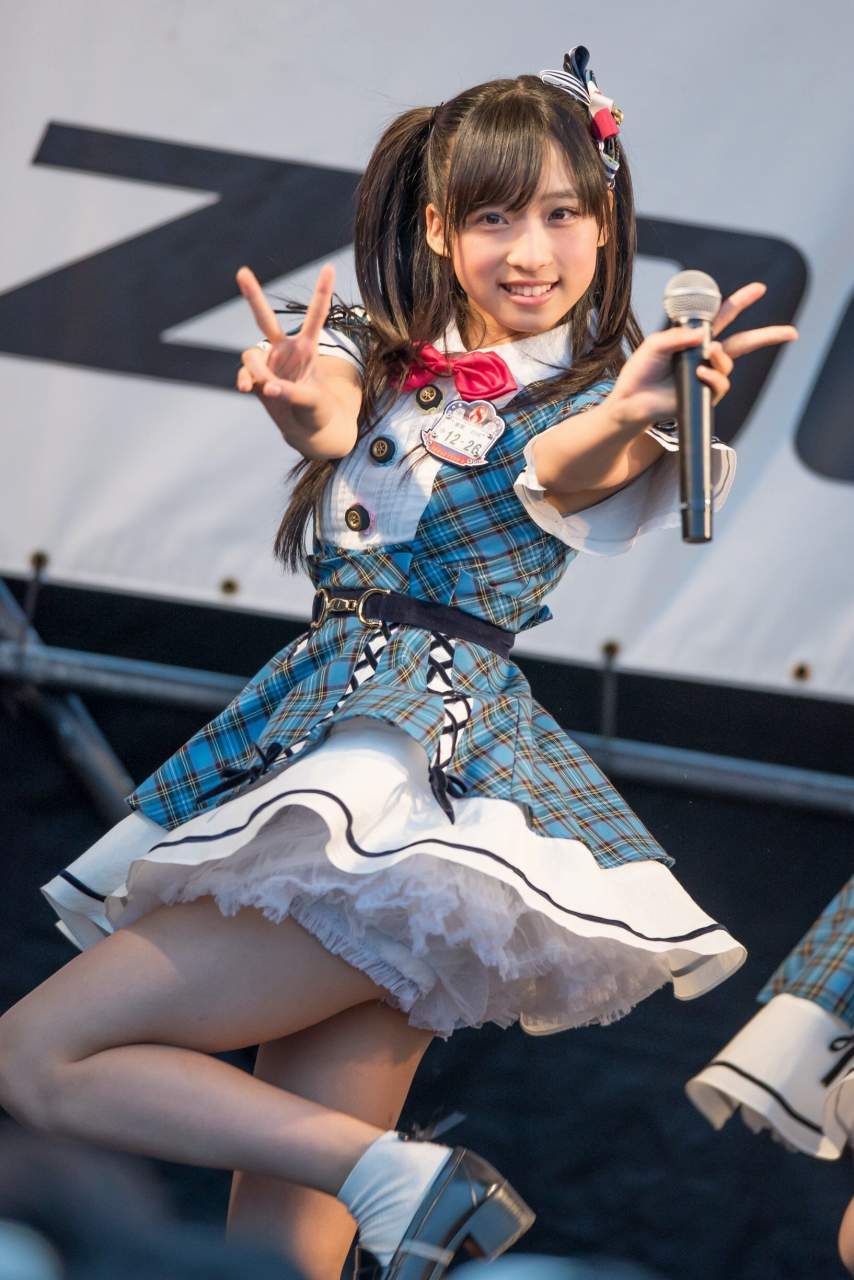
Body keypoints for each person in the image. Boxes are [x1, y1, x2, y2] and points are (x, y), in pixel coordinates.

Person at [1, 45, 797, 1280]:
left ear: (604, 229)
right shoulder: (374, 352)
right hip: (339, 756)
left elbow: (562, 465)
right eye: (493, 217)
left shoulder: (590, 398)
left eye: (561, 215)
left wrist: (636, 408)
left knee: (34, 1052)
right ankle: (393, 1179)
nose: (530, 250)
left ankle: (407, 1176)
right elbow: (326, 409)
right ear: (436, 227)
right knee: (280, 1248)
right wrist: (293, 398)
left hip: (401, 784)